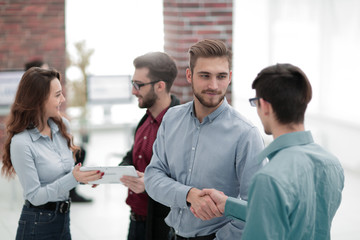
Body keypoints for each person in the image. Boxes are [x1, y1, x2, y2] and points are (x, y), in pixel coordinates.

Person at [201, 63, 345, 239]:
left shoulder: (268, 178)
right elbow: (290, 216)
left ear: (265, 106)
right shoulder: (331, 163)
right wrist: (228, 205)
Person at [144, 39, 265, 240]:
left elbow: (256, 207)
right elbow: (153, 177)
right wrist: (188, 194)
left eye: (221, 76)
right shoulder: (171, 119)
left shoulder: (246, 134)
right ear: (189, 75)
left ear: (230, 78)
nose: (213, 85)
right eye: (205, 76)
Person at [1, 67, 103, 239]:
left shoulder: (62, 126)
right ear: (38, 99)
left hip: (63, 220)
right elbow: (35, 196)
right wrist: (74, 178)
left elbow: (65, 175)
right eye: (57, 95)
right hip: (37, 224)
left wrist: (85, 177)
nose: (62, 99)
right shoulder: (21, 143)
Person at [119, 52, 180, 240]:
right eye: (133, 84)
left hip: (161, 227)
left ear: (160, 86)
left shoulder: (179, 126)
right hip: (136, 221)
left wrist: (150, 183)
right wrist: (111, 172)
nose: (133, 91)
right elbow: (133, 155)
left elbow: (183, 177)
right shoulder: (145, 120)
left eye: (139, 85)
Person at [24, 58, 93, 203]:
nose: (62, 100)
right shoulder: (24, 139)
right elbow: (35, 197)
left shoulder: (61, 123)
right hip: (42, 210)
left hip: (62, 211)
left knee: (79, 152)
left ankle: (71, 191)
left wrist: (81, 177)